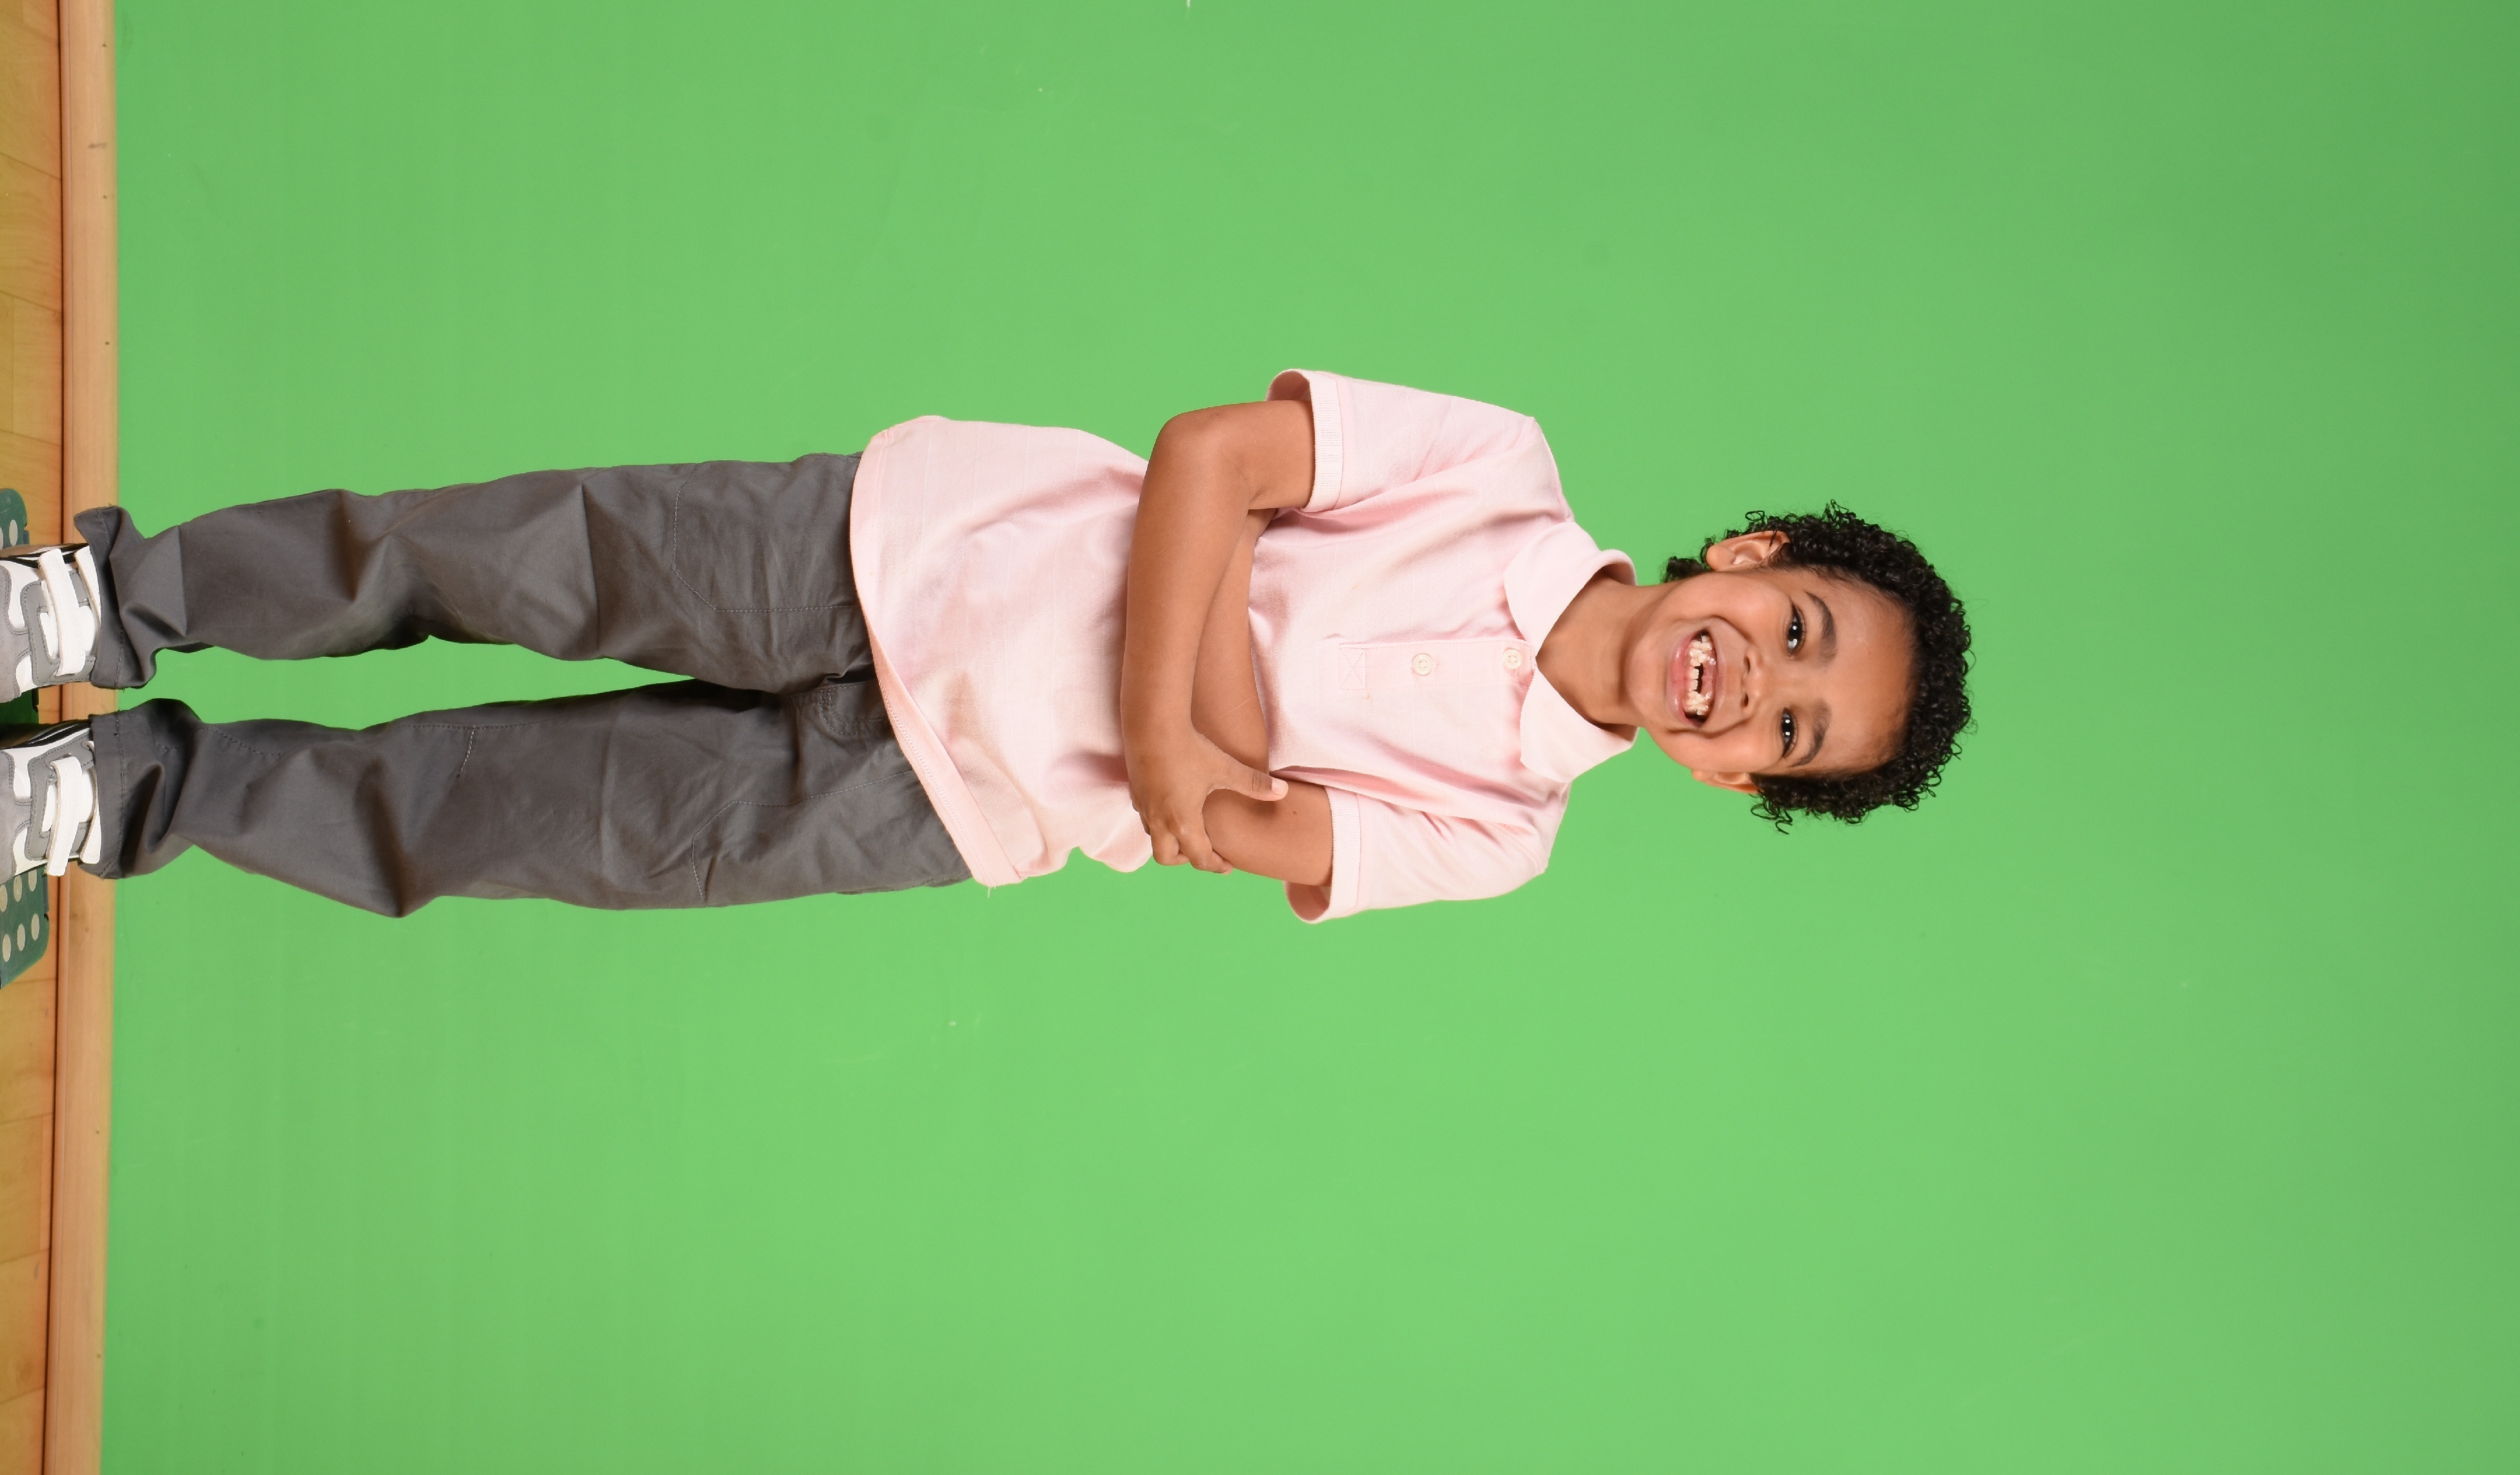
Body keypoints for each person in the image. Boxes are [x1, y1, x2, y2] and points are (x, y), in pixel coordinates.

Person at [0, 370, 1971, 920]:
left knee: (497, 818)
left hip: (929, 806)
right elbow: (1206, 455)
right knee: (487, 557)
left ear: (1733, 776)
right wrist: (1190, 729)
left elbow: (1243, 832)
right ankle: (104, 601)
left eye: (1788, 730)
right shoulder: (1497, 471)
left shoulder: (1504, 833)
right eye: (1791, 627)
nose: (1753, 680)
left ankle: (111, 796)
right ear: (1750, 553)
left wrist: (1203, 666)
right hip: (903, 548)